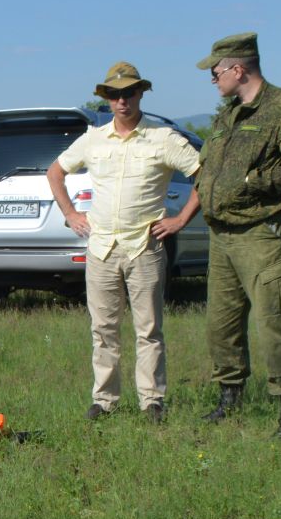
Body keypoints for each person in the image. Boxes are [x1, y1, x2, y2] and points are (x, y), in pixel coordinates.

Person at [47, 62, 202, 422]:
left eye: (128, 93)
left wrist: (180, 219)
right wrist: (71, 213)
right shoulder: (94, 139)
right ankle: (104, 400)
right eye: (115, 95)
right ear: (107, 99)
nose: (122, 101)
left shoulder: (162, 138)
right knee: (103, 329)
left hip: (144, 247)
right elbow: (55, 171)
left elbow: (203, 174)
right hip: (101, 248)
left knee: (148, 329)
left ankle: (152, 401)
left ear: (140, 94)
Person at [193, 32, 281, 437]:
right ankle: (229, 400)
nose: (213, 80)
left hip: (261, 234)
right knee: (222, 324)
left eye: (216, 73)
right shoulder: (227, 114)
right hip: (222, 235)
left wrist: (255, 180)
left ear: (237, 68)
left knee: (275, 323)